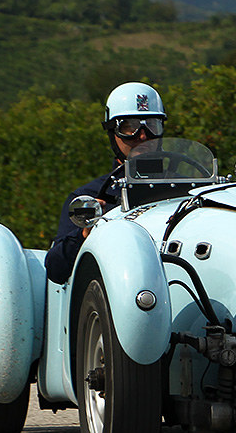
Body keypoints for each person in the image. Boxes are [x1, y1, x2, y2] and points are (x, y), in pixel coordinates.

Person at [44, 82, 166, 284]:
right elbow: (56, 270)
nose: (143, 136)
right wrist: (86, 231)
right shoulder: (89, 198)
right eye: (130, 128)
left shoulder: (188, 188)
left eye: (152, 126)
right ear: (112, 132)